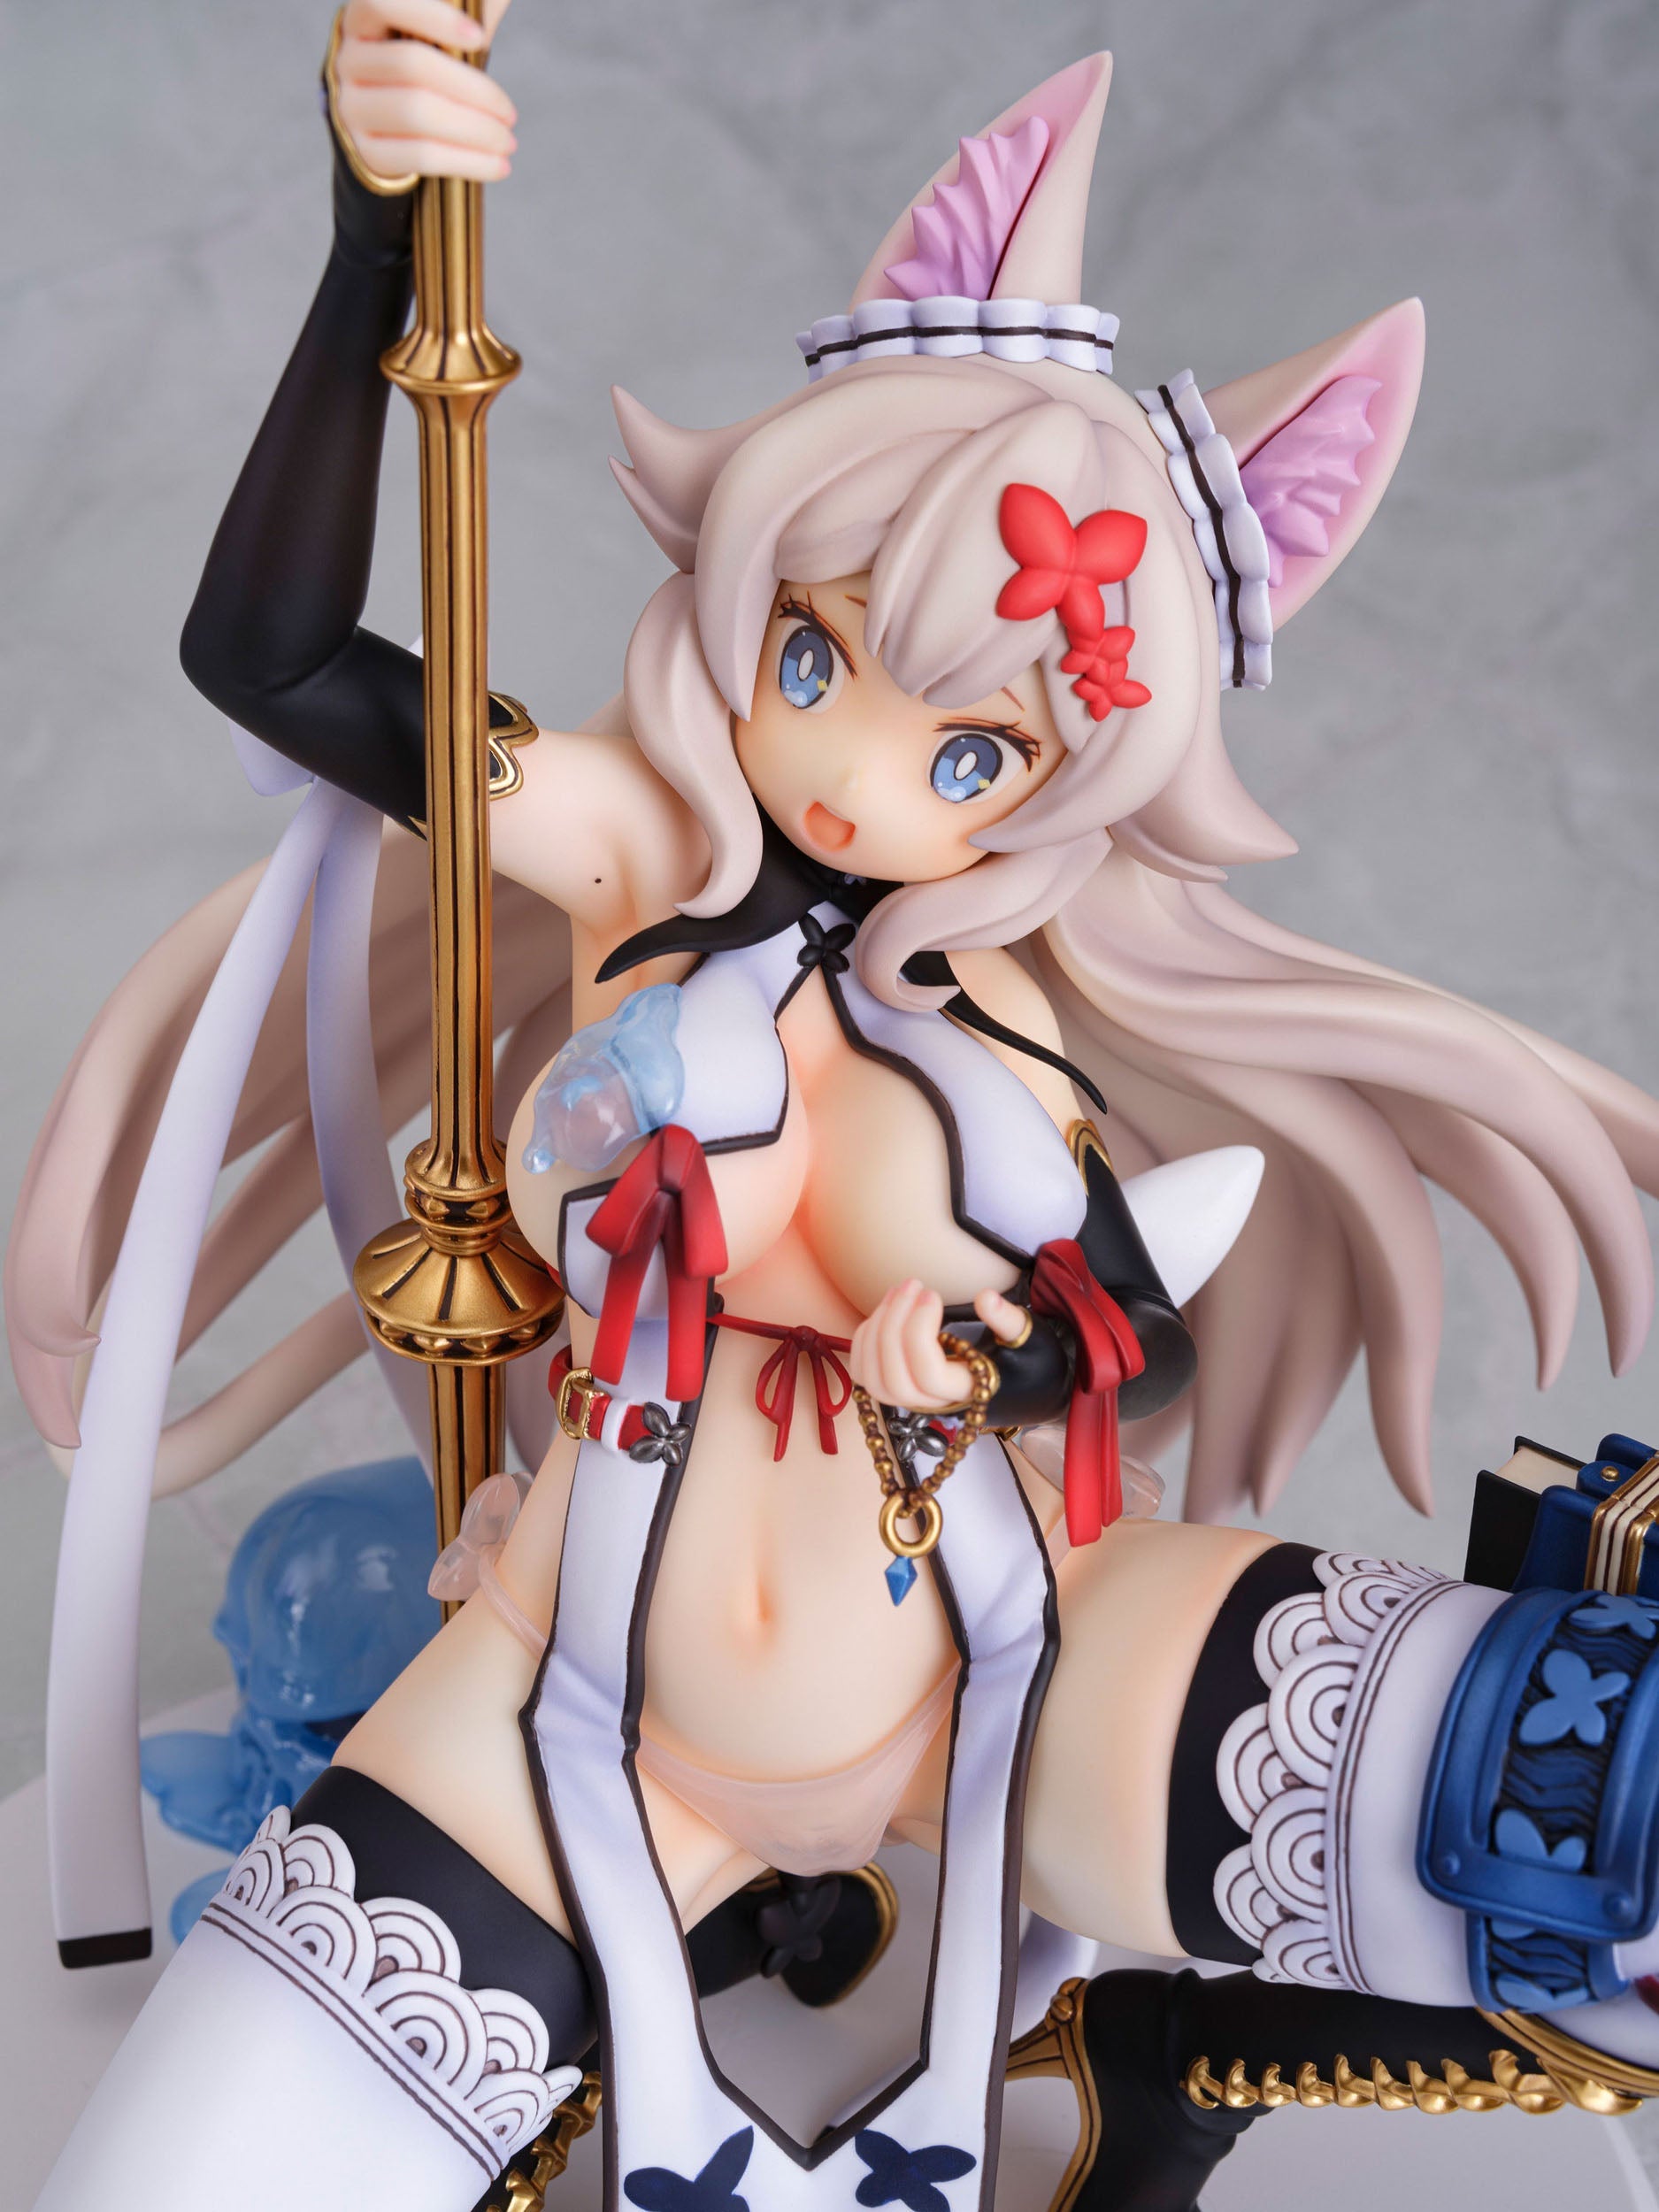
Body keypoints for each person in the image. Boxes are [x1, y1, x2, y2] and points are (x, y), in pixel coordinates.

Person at [23, 5, 1659, 2208]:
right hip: (573, 1693)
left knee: (1598, 1816)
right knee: (165, 2185)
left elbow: (1131, 1329)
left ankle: (1171, 2046)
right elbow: (280, 659)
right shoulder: (632, 854)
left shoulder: (1018, 991)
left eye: (971, 752)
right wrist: (367, 255)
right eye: (818, 656)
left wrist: (991, 1350)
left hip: (1009, 1670)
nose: (860, 777)